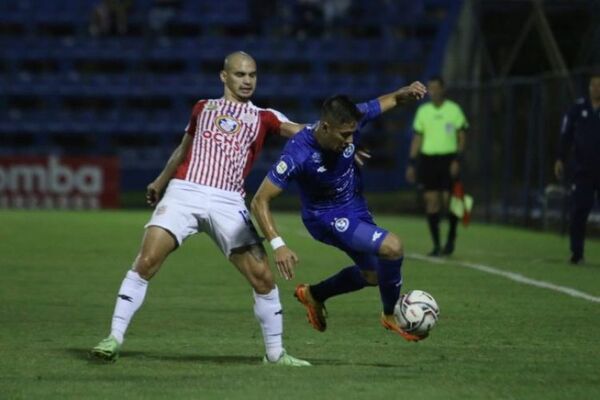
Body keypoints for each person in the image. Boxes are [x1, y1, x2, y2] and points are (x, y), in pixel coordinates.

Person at [90, 52, 310, 367]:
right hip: (184, 193)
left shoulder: (264, 116)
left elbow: (301, 132)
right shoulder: (202, 108)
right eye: (239, 74)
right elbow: (184, 148)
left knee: (262, 278)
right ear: (224, 76)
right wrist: (161, 180)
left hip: (228, 201)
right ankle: (113, 338)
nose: (247, 81)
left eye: (252, 75)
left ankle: (275, 354)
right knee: (147, 261)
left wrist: (334, 136)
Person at [250, 82, 428, 342]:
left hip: (356, 207)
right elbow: (259, 200)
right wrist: (278, 245)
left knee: (374, 274)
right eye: (344, 135)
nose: (350, 141)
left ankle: (314, 294)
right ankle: (390, 315)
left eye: (352, 134)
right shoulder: (298, 154)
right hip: (326, 217)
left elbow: (386, 101)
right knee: (393, 247)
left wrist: (404, 93)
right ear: (325, 128)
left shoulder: (349, 120)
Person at [405, 76, 468, 256]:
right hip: (428, 160)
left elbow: (462, 136)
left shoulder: (454, 110)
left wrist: (458, 159)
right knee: (431, 202)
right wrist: (411, 162)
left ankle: (451, 237)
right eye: (430, 88)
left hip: (448, 159)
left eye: (436, 88)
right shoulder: (423, 111)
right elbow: (418, 138)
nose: (433, 91)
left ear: (443, 89)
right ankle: (437, 244)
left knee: (450, 201)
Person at [554, 73, 600, 265]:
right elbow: (566, 135)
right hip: (583, 170)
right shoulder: (577, 109)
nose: (597, 89)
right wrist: (559, 158)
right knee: (579, 210)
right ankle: (577, 252)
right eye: (594, 85)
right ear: (589, 87)